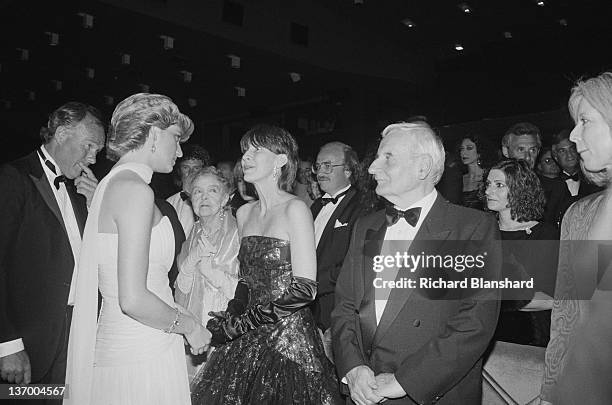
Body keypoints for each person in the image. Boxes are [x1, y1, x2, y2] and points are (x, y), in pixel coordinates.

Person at [332, 122, 502, 405]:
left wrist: (406, 381)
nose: (372, 168)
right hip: (363, 390)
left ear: (422, 168)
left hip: (428, 392)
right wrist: (353, 368)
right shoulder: (365, 226)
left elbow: (474, 322)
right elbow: (345, 307)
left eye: (387, 157)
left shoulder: (472, 228)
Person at [64, 93, 210, 405]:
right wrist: (191, 326)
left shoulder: (112, 184)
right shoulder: (134, 190)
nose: (180, 150)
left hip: (134, 344)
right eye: (176, 138)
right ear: (155, 134)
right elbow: (132, 298)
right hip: (141, 354)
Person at [190, 124, 341, 404]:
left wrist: (243, 322)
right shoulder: (245, 213)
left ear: (281, 160)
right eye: (244, 151)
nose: (246, 157)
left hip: (288, 341)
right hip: (249, 338)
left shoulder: (296, 209)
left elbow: (305, 289)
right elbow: (248, 279)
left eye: (256, 150)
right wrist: (231, 312)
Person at [0, 102, 104, 397]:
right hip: (25, 344)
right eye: (89, 146)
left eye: (96, 151)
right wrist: (7, 344)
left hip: (73, 335)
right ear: (61, 133)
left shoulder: (79, 189)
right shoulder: (13, 177)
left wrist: (96, 205)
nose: (92, 158)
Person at [541, 72, 612, 405]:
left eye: (585, 121)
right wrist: (551, 390)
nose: (573, 134)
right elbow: (567, 318)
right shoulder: (579, 215)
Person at [175, 166, 240, 380]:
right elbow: (181, 293)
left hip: (227, 332)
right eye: (197, 191)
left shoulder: (239, 232)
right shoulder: (192, 233)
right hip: (195, 329)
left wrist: (211, 272)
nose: (203, 197)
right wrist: (189, 264)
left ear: (225, 198)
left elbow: (248, 293)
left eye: (212, 190)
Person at [485, 159, 559, 347]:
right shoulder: (481, 230)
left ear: (519, 189)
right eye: (488, 184)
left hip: (530, 335)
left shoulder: (546, 236)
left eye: (499, 185)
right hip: (483, 332)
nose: (488, 191)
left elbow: (551, 299)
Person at [310, 142, 364, 344]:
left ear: (349, 170)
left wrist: (311, 284)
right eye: (318, 166)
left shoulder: (362, 206)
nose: (321, 172)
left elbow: (353, 265)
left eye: (328, 166)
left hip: (336, 309)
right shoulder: (315, 206)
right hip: (310, 309)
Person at [501, 122, 570, 226]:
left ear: (538, 152)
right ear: (506, 151)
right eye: (521, 149)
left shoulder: (557, 189)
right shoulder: (494, 188)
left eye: (532, 150)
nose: (527, 157)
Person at [167, 144, 211, 236]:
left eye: (196, 168)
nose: (191, 172)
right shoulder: (170, 202)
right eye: (186, 167)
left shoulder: (213, 200)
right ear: (179, 170)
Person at [551, 129, 603, 201]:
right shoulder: (550, 186)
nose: (569, 155)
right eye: (562, 151)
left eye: (572, 149)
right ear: (556, 157)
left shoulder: (595, 180)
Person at [458, 134, 493, 210]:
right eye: (462, 149)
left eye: (469, 148)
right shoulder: (459, 179)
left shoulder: (489, 176)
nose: (463, 153)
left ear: (479, 151)